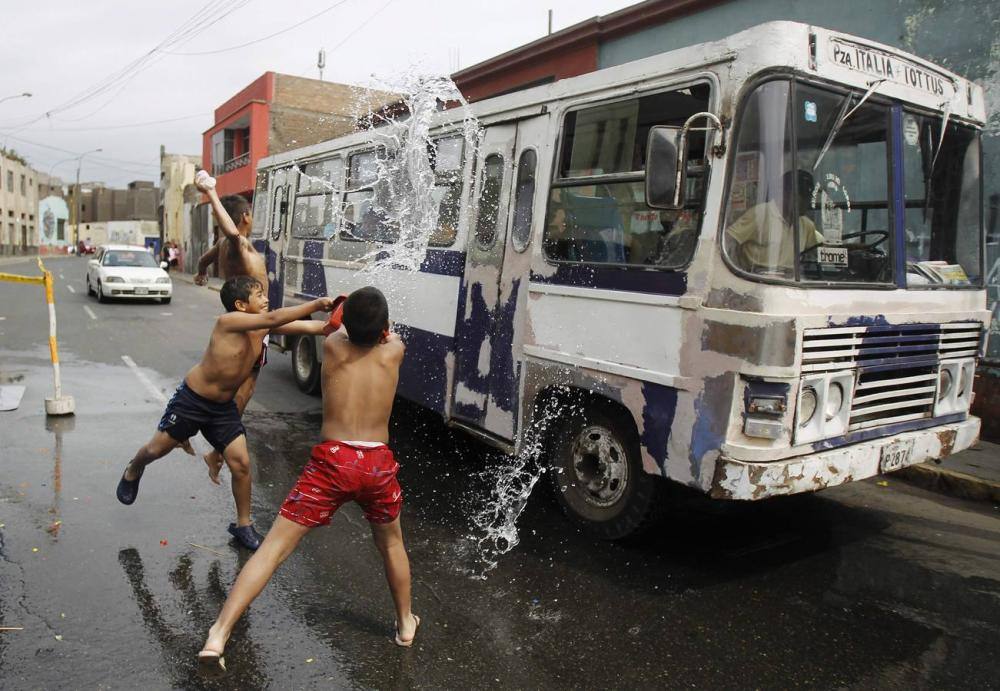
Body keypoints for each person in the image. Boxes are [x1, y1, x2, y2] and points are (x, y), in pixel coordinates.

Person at [197, 287, 416, 677]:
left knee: (273, 550)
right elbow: (388, 333)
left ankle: (218, 633)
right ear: (383, 328)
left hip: (333, 462)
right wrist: (380, 326)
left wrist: (337, 310)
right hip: (376, 464)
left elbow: (334, 328)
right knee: (392, 544)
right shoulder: (394, 350)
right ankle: (404, 625)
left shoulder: (333, 347)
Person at [116, 276, 335, 549]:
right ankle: (133, 469)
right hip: (192, 401)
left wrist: (337, 321)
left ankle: (243, 526)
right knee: (155, 450)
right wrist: (316, 302)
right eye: (259, 295)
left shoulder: (261, 327)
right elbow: (275, 318)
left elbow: (312, 326)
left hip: (223, 409)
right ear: (241, 305)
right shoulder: (228, 322)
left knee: (241, 464)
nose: (266, 299)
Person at [193, 173, 271, 488]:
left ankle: (196, 437)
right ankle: (217, 449)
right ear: (246, 217)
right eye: (250, 213)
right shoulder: (238, 244)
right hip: (252, 326)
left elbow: (204, 258)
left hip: (241, 321)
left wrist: (200, 272)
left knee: (230, 386)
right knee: (243, 390)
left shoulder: (224, 245)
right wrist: (211, 192)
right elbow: (230, 231)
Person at [725, 169, 824, 276]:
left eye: (809, 196)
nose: (807, 201)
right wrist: (737, 270)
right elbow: (727, 240)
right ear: (785, 193)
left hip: (792, 283)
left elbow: (822, 250)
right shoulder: (760, 214)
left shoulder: (806, 225)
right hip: (757, 281)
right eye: (802, 195)